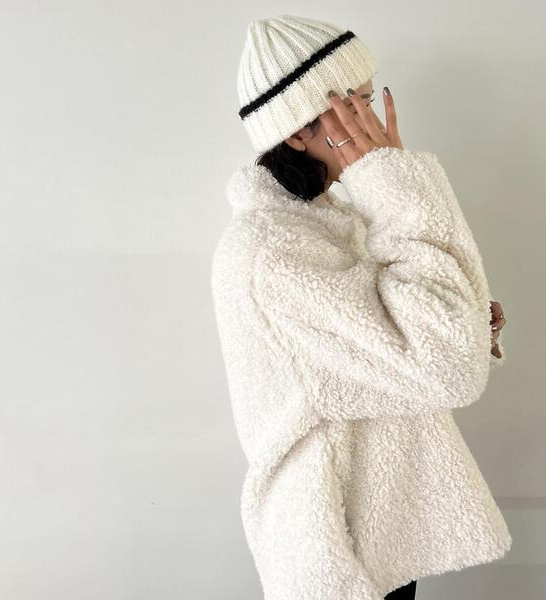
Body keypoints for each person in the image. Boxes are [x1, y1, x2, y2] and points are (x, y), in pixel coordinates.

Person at [211, 14, 510, 600]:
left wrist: (467, 323)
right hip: (336, 544)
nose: (372, 123)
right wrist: (396, 185)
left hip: (374, 525)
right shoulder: (274, 251)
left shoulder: (330, 222)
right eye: (355, 106)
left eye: (369, 101)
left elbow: (406, 345)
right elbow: (444, 367)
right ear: (297, 133)